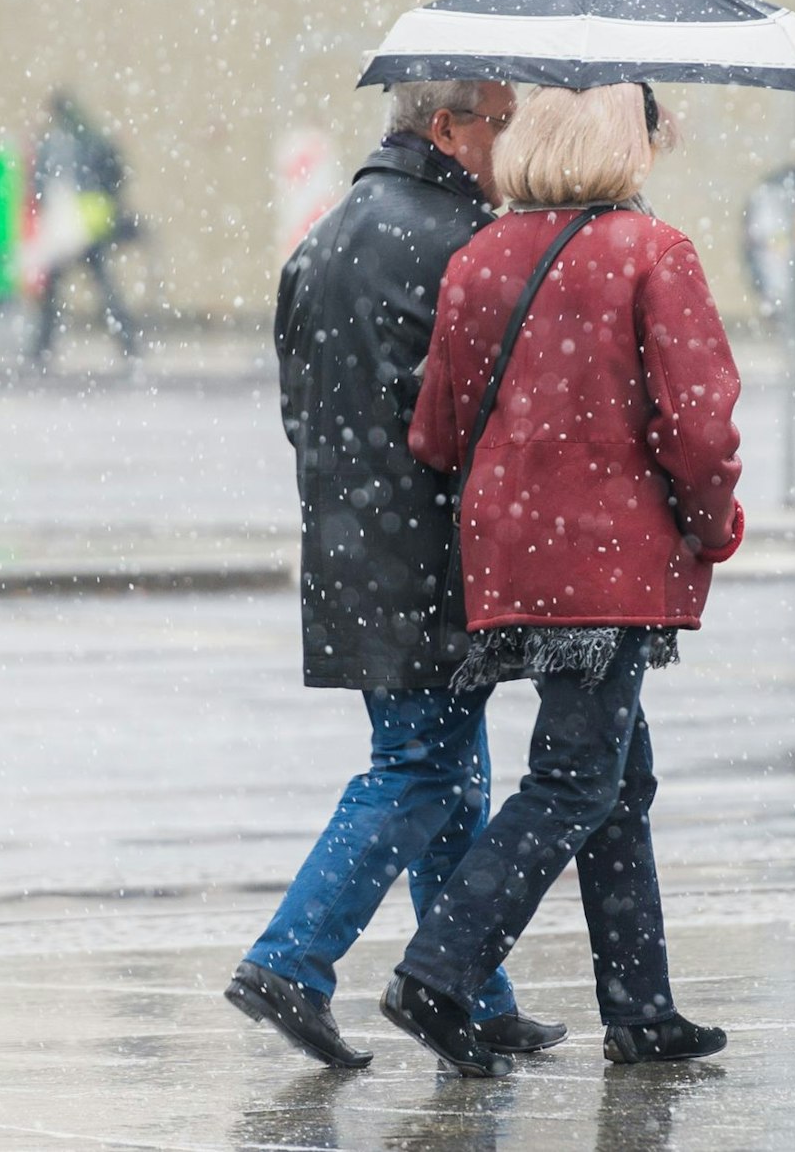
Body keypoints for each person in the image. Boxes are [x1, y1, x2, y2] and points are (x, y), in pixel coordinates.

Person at [379, 82, 742, 1078]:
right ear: (626, 145)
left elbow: (437, 431)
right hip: (611, 562)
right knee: (574, 778)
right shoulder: (651, 253)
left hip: (514, 558)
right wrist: (712, 524)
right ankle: (437, 971)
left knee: (615, 778)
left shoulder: (480, 255)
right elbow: (698, 426)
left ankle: (641, 1004)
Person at [227, 78, 567, 1069]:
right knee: (420, 766)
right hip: (430, 547)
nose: (511, 145)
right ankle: (292, 956)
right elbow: (480, 414)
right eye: (502, 125)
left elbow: (300, 408)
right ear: (447, 126)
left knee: (448, 769)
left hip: (352, 542)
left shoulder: (328, 235)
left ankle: (468, 987)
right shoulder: (460, 240)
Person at [27, 91, 141, 368]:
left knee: (56, 288)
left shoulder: (56, 141)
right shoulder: (91, 136)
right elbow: (116, 173)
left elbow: (41, 182)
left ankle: (43, 346)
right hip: (91, 223)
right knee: (103, 285)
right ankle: (127, 341)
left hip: (70, 225)